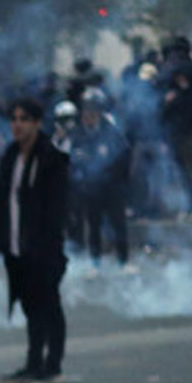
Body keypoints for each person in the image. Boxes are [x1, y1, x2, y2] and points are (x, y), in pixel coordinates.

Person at [0, 97, 70, 383]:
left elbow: (56, 209)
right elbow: (2, 201)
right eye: (14, 119)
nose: (17, 125)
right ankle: (34, 363)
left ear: (36, 123)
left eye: (24, 119)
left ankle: (53, 366)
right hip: (16, 246)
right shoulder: (11, 155)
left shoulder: (51, 159)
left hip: (43, 248)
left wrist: (47, 245)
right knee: (30, 307)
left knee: (49, 305)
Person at [70, 90, 136, 276]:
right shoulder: (78, 135)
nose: (88, 117)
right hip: (91, 189)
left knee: (118, 224)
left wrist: (114, 178)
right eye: (85, 113)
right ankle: (95, 263)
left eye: (92, 112)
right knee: (93, 225)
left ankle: (123, 261)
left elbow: (124, 158)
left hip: (112, 188)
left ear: (99, 113)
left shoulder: (112, 132)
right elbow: (73, 161)